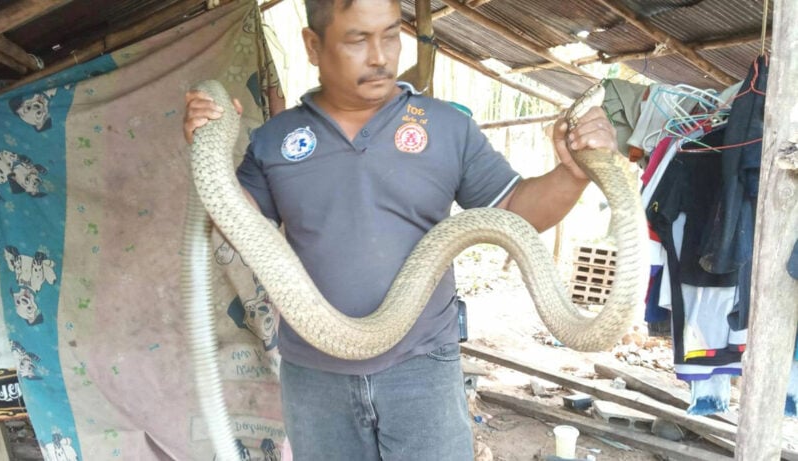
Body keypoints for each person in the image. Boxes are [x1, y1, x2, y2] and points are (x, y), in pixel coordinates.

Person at [183, 0, 618, 459]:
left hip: (422, 367)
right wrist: (209, 148)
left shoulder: (448, 127)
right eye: (357, 39)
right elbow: (242, 226)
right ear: (313, 46)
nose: (380, 56)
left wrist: (571, 173)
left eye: (390, 35)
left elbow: (513, 213)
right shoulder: (275, 139)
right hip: (315, 374)